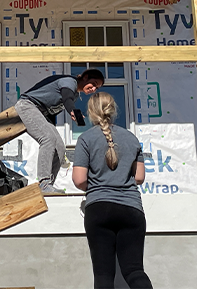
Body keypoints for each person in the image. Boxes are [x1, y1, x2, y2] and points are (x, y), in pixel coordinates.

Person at [72, 92, 153, 289]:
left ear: (90, 112)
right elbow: (140, 178)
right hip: (131, 209)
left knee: (103, 274)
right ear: (113, 110)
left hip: (99, 208)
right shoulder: (132, 139)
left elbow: (79, 179)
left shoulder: (85, 139)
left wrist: (98, 186)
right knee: (134, 270)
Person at [15, 68, 104, 193]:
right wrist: (72, 109)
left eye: (97, 88)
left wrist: (52, 129)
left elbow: (52, 113)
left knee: (59, 146)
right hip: (27, 105)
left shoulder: (76, 95)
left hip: (42, 114)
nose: (93, 89)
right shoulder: (69, 82)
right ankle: (44, 182)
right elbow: (67, 98)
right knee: (48, 139)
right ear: (85, 77)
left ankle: (49, 185)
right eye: (93, 84)